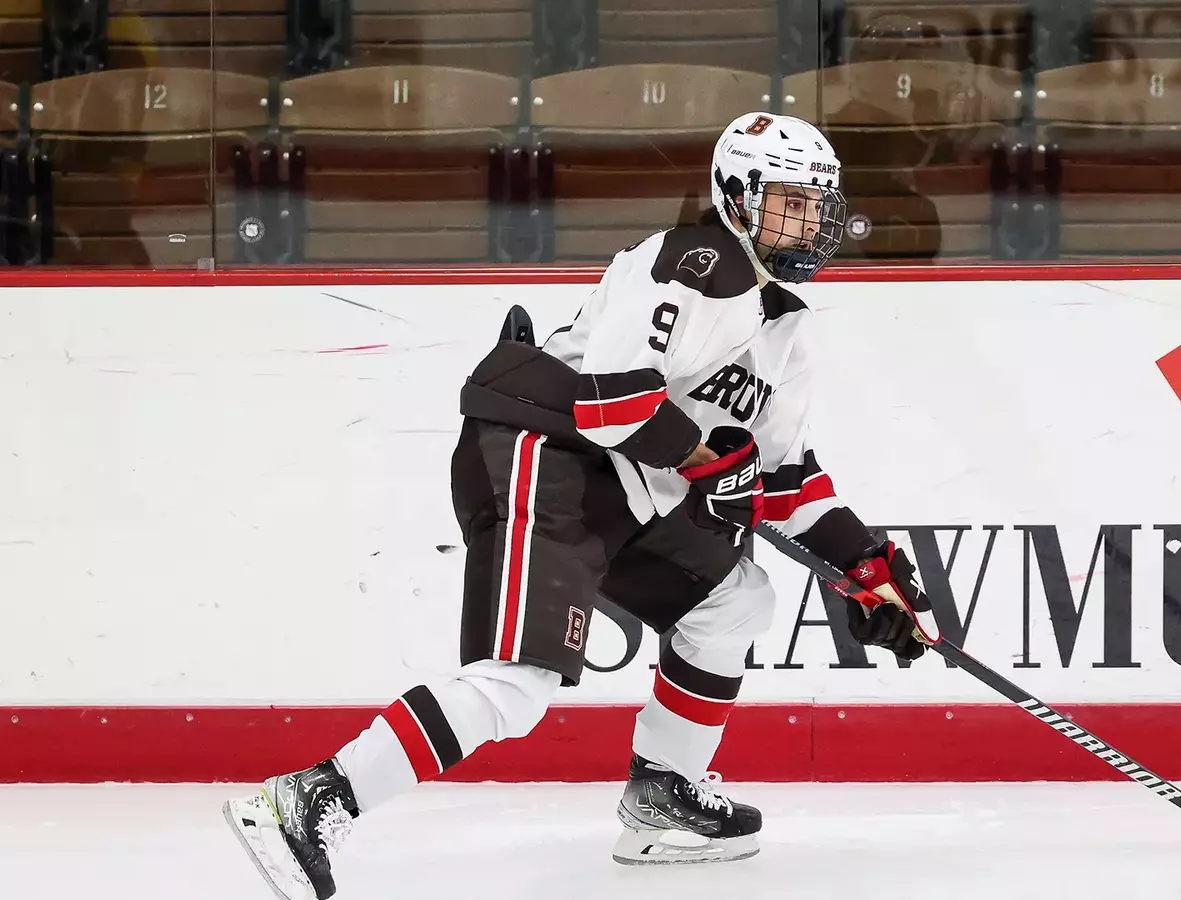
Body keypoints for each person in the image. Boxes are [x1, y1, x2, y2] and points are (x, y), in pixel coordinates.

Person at [223, 112, 942, 900]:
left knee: (735, 601)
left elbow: (782, 475)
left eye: (817, 207)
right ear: (736, 195)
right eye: (789, 203)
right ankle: (310, 798)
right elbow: (610, 408)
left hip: (625, 491)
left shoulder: (788, 332)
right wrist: (713, 460)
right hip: (545, 457)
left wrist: (866, 565)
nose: (808, 224)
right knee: (520, 683)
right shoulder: (693, 264)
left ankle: (663, 797)